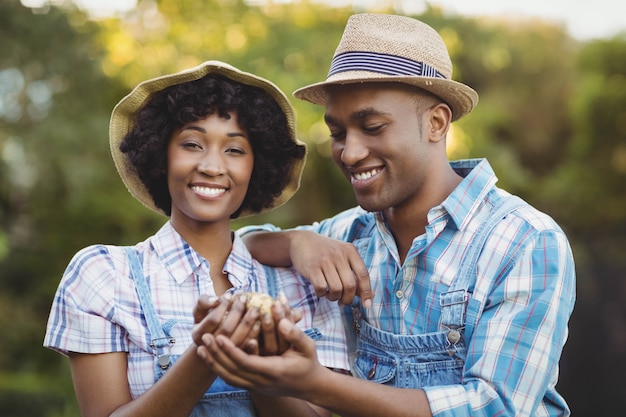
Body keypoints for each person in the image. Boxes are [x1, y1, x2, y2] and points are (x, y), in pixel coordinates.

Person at [193, 13, 577, 417]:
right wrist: (295, 242)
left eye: (372, 126)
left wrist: (317, 384)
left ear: (436, 122)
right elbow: (244, 244)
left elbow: (496, 407)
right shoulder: (348, 233)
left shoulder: (524, 240)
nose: (350, 153)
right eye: (338, 133)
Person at [43, 61, 348, 417]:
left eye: (234, 150)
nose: (212, 166)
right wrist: (205, 355)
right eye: (192, 144)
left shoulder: (301, 284)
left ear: (257, 165)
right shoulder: (104, 276)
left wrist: (259, 366)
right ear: (161, 154)